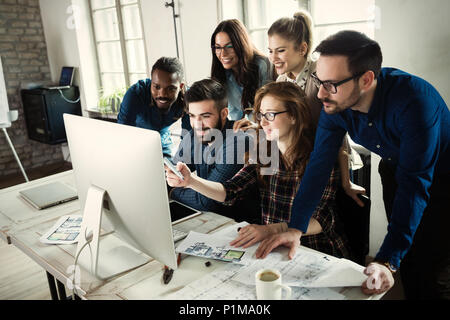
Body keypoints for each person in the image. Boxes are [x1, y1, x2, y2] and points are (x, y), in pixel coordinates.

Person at [256, 31, 450, 299]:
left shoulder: (415, 103)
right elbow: (319, 166)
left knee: (430, 257)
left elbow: (415, 186)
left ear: (366, 80)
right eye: (318, 81)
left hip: (442, 176)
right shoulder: (335, 104)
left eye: (331, 84)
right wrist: (296, 228)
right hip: (395, 169)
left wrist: (386, 261)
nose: (321, 94)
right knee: (410, 256)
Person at [166, 81, 352, 259]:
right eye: (261, 115)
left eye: (270, 115)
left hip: (315, 249)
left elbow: (321, 219)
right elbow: (231, 191)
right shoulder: (264, 152)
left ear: (294, 116)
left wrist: (272, 229)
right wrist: (190, 181)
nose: (263, 122)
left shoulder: (319, 158)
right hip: (273, 248)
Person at [234, 11, 366, 206]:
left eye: (280, 50)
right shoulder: (282, 79)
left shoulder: (321, 78)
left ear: (302, 48)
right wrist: (257, 126)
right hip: (304, 162)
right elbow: (286, 122)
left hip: (331, 162)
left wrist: (346, 182)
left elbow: (338, 134)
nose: (273, 58)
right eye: (270, 51)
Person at [168, 78, 259, 223]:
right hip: (208, 220)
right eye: (192, 116)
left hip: (238, 225)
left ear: (224, 113)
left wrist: (173, 192)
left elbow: (208, 202)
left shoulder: (238, 141)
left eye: (205, 116)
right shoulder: (194, 134)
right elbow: (173, 173)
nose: (197, 124)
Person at [117, 57, 191, 157]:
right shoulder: (135, 94)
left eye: (171, 89)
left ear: (181, 87)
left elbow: (189, 138)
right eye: (156, 87)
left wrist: (181, 165)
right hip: (136, 142)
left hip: (163, 142)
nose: (162, 94)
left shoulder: (188, 98)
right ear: (151, 83)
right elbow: (123, 132)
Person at [211, 19, 274, 121]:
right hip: (244, 130)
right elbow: (234, 114)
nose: (223, 54)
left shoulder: (262, 65)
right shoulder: (223, 72)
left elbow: (267, 110)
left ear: (241, 45)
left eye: (229, 46)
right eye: (218, 47)